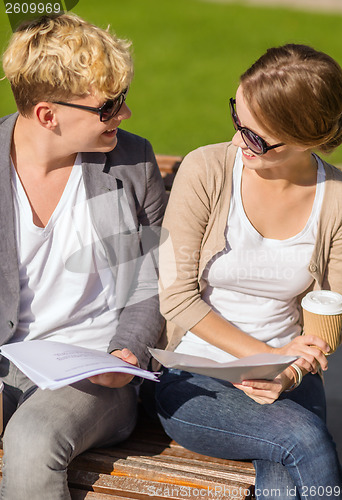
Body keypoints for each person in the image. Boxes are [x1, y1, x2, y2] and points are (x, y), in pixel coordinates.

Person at [156, 44, 342, 499]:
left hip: (291, 377)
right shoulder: (206, 169)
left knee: (288, 476)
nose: (237, 142)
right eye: (237, 120)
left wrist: (287, 372)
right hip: (197, 375)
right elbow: (176, 297)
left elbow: (330, 317)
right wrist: (261, 360)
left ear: (307, 140)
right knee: (305, 440)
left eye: (257, 138)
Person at [0, 13, 166, 500]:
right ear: (48, 115)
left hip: (94, 370)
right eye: (108, 106)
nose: (125, 115)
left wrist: (128, 352)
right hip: (8, 361)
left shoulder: (131, 162)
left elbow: (152, 279)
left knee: (31, 442)